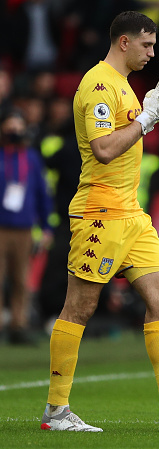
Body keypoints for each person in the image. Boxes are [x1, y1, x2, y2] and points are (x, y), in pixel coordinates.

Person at [40, 11, 159, 433]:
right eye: (147, 44)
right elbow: (104, 149)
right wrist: (146, 120)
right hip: (100, 213)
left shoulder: (123, 85)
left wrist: (145, 116)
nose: (153, 52)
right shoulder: (99, 84)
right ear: (124, 42)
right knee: (80, 307)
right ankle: (56, 412)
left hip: (131, 214)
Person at [0, 108, 53, 344]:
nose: (15, 133)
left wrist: (47, 227)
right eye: (10, 128)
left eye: (18, 129)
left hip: (23, 229)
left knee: (22, 280)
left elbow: (42, 193)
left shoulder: (30, 157)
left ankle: (18, 325)